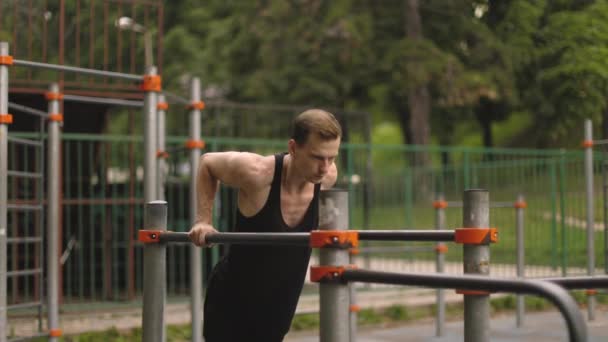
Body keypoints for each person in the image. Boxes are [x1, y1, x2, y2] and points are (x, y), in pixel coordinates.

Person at [188, 108, 342, 342]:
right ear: (293, 148)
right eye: (317, 157)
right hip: (232, 305)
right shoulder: (257, 173)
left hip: (279, 308)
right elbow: (207, 163)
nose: (325, 167)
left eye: (332, 158)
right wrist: (203, 220)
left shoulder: (327, 177)